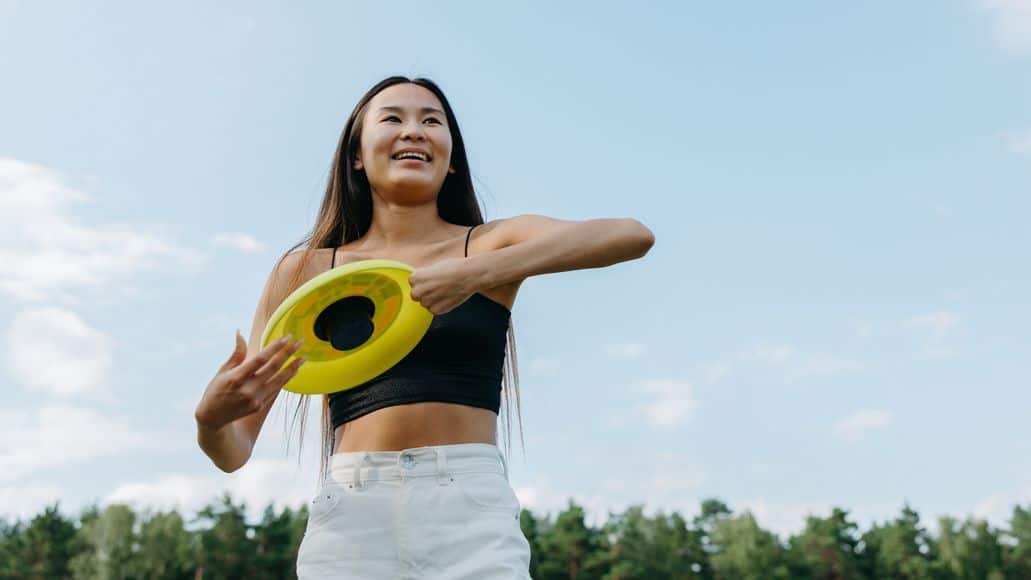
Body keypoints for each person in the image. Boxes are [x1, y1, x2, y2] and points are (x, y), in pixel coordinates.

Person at [194, 76, 655, 579]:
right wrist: (211, 421)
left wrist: (478, 273)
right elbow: (234, 451)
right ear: (356, 154)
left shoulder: (488, 246)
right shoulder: (303, 273)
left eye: (431, 121)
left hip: (471, 517)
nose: (414, 130)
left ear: (451, 157)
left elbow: (629, 236)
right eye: (393, 118)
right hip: (350, 520)